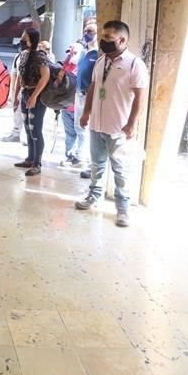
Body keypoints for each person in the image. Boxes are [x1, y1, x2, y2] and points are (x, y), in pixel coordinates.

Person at [75, 21, 149, 228]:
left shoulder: (134, 64)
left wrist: (132, 123)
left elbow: (140, 97)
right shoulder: (101, 61)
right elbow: (93, 87)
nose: (103, 40)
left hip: (119, 127)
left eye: (108, 37)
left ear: (122, 40)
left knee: (120, 170)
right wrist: (86, 112)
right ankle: (93, 196)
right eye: (103, 36)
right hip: (97, 125)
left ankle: (123, 208)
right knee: (96, 165)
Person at [15, 28, 50, 177]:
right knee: (28, 128)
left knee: (35, 129)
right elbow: (19, 76)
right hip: (25, 93)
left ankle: (37, 163)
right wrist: (16, 95)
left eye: (25, 38)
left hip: (36, 95)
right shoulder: (23, 55)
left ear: (33, 40)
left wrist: (34, 96)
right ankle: (30, 159)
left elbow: (45, 76)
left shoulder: (40, 56)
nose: (22, 40)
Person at [75, 37, 100, 180]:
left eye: (90, 32)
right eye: (86, 31)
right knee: (79, 128)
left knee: (89, 132)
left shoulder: (98, 55)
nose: (87, 34)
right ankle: (80, 156)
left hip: (88, 96)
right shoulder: (84, 53)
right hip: (79, 94)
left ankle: (90, 164)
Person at [59, 42, 84, 168]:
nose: (71, 55)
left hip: (79, 107)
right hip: (66, 107)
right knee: (69, 134)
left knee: (82, 133)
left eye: (74, 53)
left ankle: (80, 157)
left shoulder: (83, 67)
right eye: (70, 53)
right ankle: (69, 155)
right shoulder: (66, 67)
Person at [3, 44, 28, 144]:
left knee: (27, 114)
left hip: (28, 91)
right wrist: (12, 92)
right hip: (18, 90)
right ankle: (16, 133)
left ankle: (27, 136)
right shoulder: (18, 56)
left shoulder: (35, 57)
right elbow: (14, 74)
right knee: (17, 112)